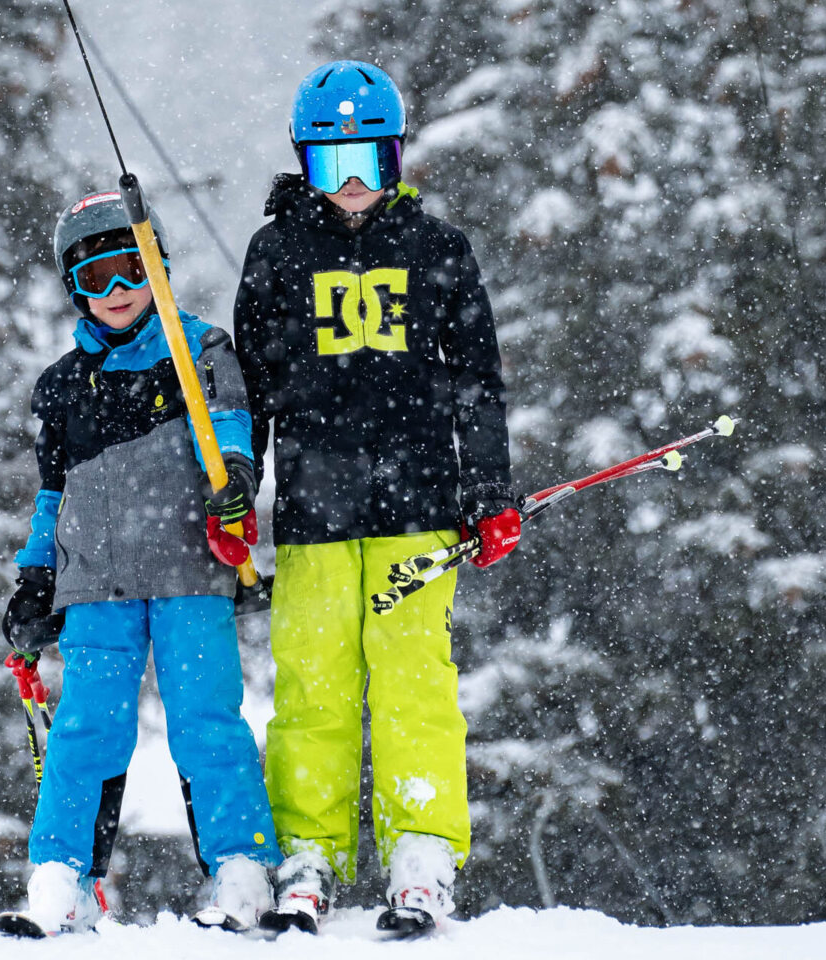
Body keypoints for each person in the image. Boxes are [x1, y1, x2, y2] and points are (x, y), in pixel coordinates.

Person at [233, 60, 523, 936]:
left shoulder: (436, 248)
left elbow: (477, 381)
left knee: (413, 682)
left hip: (420, 507)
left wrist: (488, 488)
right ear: (303, 165)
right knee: (314, 684)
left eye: (368, 163)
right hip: (317, 510)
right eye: (331, 167)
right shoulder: (279, 252)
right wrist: (239, 490)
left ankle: (422, 849)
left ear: (397, 159)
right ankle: (308, 848)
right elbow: (253, 390)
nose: (352, 186)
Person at [0, 189, 278, 937]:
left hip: (190, 575)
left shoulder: (199, 350)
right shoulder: (61, 387)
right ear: (74, 291)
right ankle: (62, 877)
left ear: (156, 268)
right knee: (86, 730)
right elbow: (52, 497)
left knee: (206, 722)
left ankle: (240, 869)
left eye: (129, 271)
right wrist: (35, 579)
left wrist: (236, 482)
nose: (117, 293)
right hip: (97, 586)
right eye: (95, 279)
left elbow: (231, 429)